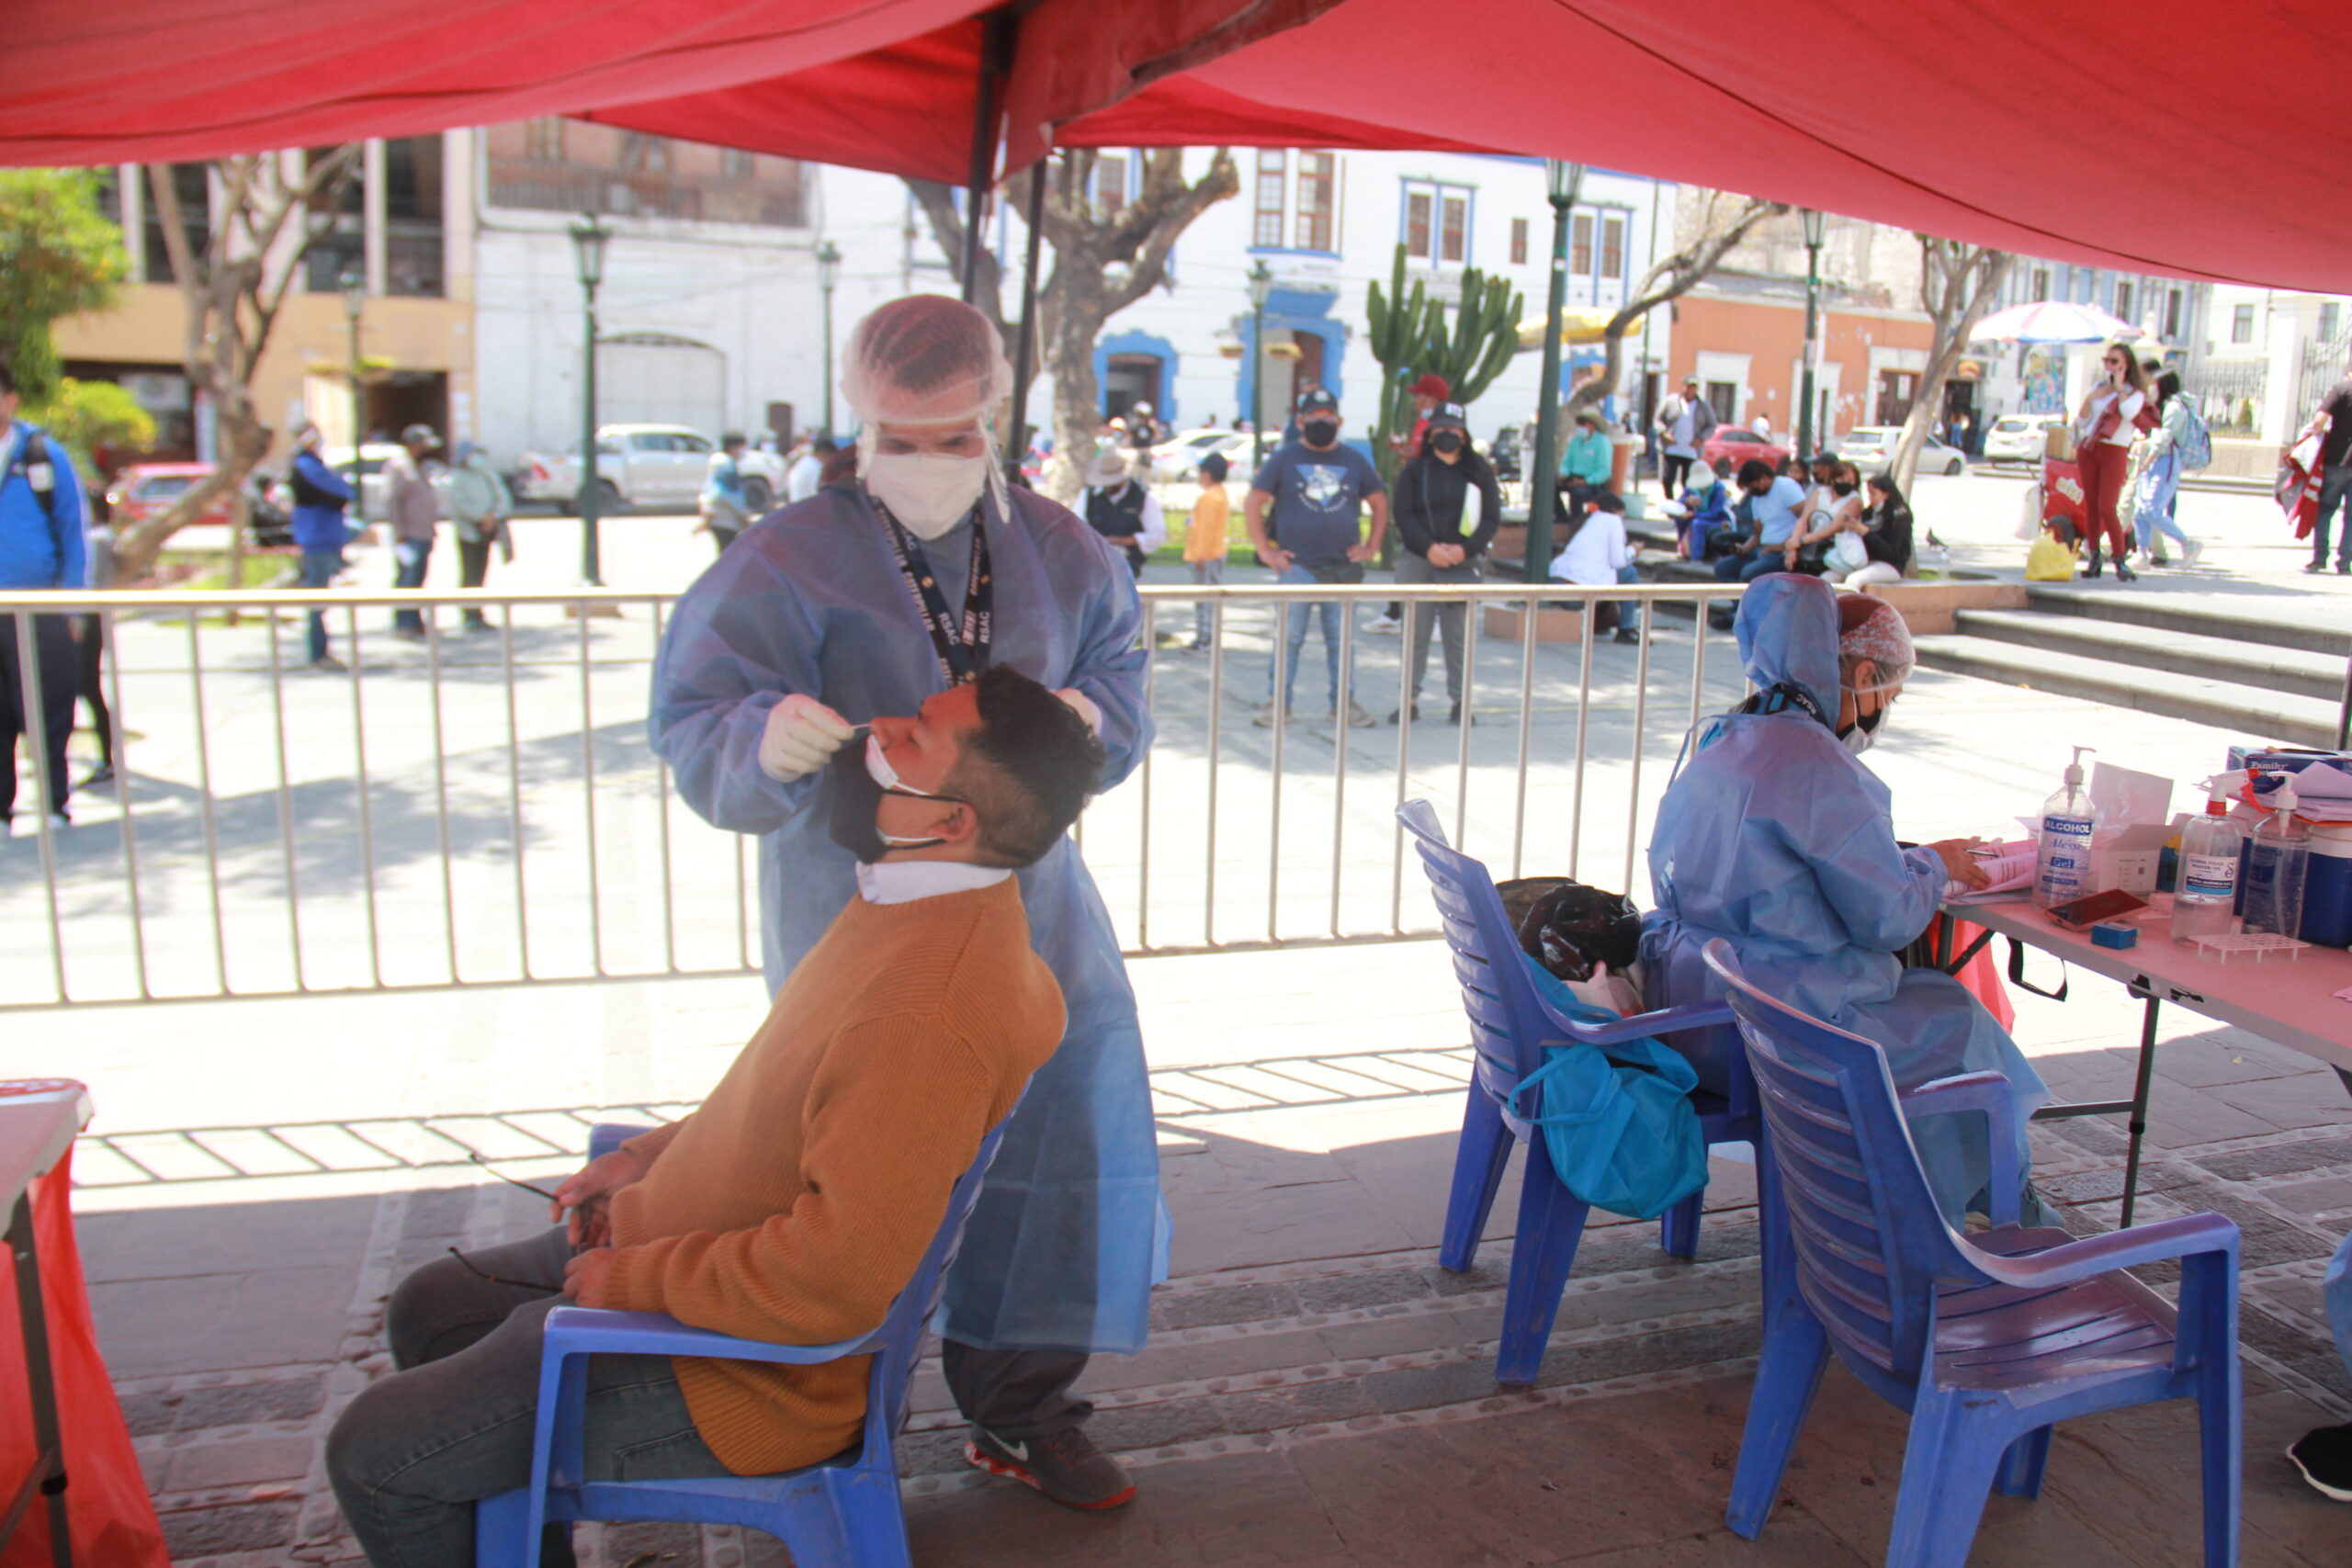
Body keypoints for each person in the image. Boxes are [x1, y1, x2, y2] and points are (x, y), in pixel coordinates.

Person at [327, 667, 1110, 1562]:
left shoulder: (926, 1009)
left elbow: (835, 1279)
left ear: (948, 819)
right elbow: (785, 1097)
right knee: (434, 1308)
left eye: (914, 735)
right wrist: (649, 1159)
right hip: (684, 1260)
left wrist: (627, 1281)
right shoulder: (917, 900)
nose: (877, 727)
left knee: (378, 1455)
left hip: (741, 1375)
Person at [649, 294, 1153, 1510]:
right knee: (853, 1168)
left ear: (994, 418)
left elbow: (1122, 676)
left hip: (1032, 922)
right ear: (860, 422)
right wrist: (754, 734)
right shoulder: (786, 556)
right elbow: (691, 709)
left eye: (954, 437)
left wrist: (1091, 718)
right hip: (855, 919)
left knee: (1055, 1146)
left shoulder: (1060, 548)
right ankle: (812, 1410)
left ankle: (1025, 1406)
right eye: (903, 438)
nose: (928, 464)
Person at [1640, 577, 2050, 1220]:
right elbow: (1890, 917)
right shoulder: (1819, 764)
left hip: (1693, 1010)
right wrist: (1936, 867)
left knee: (1932, 1010)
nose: (1887, 706)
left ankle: (1952, 1196)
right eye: (1892, 690)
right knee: (1961, 1023)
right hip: (1783, 1031)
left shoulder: (1721, 736)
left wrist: (1922, 860)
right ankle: (1984, 1206)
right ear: (1862, 673)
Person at [1244, 386, 1388, 728]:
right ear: (1301, 420)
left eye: (1327, 417)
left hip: (1342, 569)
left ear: (1339, 420)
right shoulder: (1284, 459)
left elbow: (1379, 502)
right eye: (1314, 417)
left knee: (1340, 642)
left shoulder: (1354, 460)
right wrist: (1265, 549)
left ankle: (1344, 704)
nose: (1321, 422)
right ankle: (1277, 702)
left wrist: (1371, 547)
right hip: (1298, 568)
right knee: (1289, 639)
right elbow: (1254, 501)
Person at [0, 358, 87, 834]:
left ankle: (54, 805)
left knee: (48, 708)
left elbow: (73, 532)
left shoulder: (41, 455)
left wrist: (70, 602)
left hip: (37, 606)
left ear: (11, 400)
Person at [1391, 402, 1501, 722]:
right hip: (1420, 560)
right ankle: (1408, 700)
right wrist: (1429, 548)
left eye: (1453, 429)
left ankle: (1460, 702)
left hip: (1462, 564)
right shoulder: (1415, 470)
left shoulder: (1479, 470)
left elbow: (1491, 518)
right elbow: (1404, 514)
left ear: (1464, 435)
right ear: (1430, 434)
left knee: (1458, 636)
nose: (1447, 435)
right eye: (1440, 430)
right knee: (1415, 633)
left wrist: (1464, 551)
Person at [2071, 343, 2153, 581]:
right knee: (2092, 506)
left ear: (2127, 365)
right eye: (2107, 361)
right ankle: (2094, 556)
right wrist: (2091, 398)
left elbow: (2129, 414)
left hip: (2115, 450)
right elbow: (2083, 422)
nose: (2110, 366)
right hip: (2090, 448)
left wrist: (2119, 389)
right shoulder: (2099, 388)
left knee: (2108, 505)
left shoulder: (2135, 392)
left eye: (2115, 362)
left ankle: (2119, 559)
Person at [288, 422, 356, 671]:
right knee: (317, 600)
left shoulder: (315, 465)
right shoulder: (305, 466)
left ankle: (320, 650)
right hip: (316, 540)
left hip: (325, 538)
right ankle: (318, 653)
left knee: (321, 600)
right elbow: (340, 493)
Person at [2124, 369, 2202, 570]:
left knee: (2152, 508)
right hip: (2154, 460)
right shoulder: (2163, 407)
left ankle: (2188, 543)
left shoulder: (2174, 409)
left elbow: (2165, 438)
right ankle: (2142, 554)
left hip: (2165, 462)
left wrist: (2147, 460)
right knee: (2140, 510)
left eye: (2154, 384)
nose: (2151, 387)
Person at [1547, 489, 1645, 645]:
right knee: (1629, 573)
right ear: (1615, 510)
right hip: (1580, 590)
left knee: (1604, 574)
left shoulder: (1589, 520)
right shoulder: (1612, 520)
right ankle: (1626, 629)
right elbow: (1618, 561)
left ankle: (1601, 624)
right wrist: (1633, 550)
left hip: (1557, 580)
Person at [446, 442, 514, 628]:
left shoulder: (487, 476)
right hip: (469, 532)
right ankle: (469, 613)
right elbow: (460, 505)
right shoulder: (458, 479)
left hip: (487, 532)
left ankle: (478, 611)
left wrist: (494, 516)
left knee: (481, 573)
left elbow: (503, 498)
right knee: (470, 573)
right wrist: (480, 517)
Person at [72, 513, 117, 788]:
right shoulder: (97, 537)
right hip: (79, 618)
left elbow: (94, 582)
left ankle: (106, 760)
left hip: (86, 620)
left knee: (88, 688)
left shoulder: (97, 539)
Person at [1711, 458, 1808, 583]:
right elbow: (1758, 534)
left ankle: (1749, 601)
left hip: (1780, 552)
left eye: (1752, 486)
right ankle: (1740, 603)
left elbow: (1805, 518)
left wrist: (1784, 546)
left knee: (1749, 573)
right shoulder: (1757, 498)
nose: (1751, 491)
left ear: (1763, 478)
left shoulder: (1785, 486)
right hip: (1762, 548)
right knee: (1722, 568)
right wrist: (1744, 548)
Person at [386, 423, 441, 639]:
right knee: (407, 580)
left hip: (424, 532)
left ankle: (415, 621)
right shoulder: (399, 466)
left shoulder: (418, 466)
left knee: (418, 579)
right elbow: (393, 501)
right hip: (409, 534)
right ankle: (404, 624)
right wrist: (399, 531)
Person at [1080, 448, 1166, 579]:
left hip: (1130, 562)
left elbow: (1157, 533)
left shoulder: (1142, 496)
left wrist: (1124, 541)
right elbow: (1076, 526)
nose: (1108, 487)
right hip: (1094, 562)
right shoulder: (1088, 496)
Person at [1182, 451, 1234, 650]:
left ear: (1208, 474)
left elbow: (1205, 529)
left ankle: (1204, 640)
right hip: (1214, 552)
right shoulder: (1220, 494)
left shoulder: (1209, 498)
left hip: (1207, 555)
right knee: (1206, 599)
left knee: (1204, 599)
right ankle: (1205, 637)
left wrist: (1200, 555)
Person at [1781, 459, 1864, 577]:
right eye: (1841, 479)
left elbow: (1833, 528)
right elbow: (1804, 519)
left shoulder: (1854, 500)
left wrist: (1800, 541)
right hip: (1809, 545)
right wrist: (1792, 547)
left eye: (1850, 481)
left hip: (1833, 552)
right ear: (1833, 479)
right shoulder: (1820, 492)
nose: (1845, 483)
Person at [1839, 472, 1914, 588]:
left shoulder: (1900, 516)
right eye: (1869, 494)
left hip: (1890, 565)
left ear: (1885, 494)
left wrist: (1867, 533)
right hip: (1864, 560)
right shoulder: (1869, 513)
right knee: (1829, 576)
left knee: (1853, 580)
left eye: (1873, 494)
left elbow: (1892, 552)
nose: (1870, 499)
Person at [1654, 377, 1717, 497]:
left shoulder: (1703, 406)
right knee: (1667, 479)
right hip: (1672, 447)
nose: (1690, 390)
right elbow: (1657, 419)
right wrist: (1664, 432)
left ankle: (1685, 505)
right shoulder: (1671, 401)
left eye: (1693, 387)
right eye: (1688, 386)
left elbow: (1712, 425)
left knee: (1688, 482)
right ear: (1683, 386)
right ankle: (1671, 504)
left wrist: (1701, 438)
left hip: (1691, 450)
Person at [697, 431, 752, 557]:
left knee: (724, 552)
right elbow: (728, 493)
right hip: (725, 517)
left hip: (718, 515)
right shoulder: (725, 464)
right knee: (728, 554)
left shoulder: (717, 460)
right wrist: (743, 516)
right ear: (733, 448)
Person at [1558, 409, 1615, 513]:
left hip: (1594, 483)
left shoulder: (1602, 442)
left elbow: (1604, 471)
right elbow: (1567, 462)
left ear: (1592, 426)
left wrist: (1585, 481)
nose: (1580, 427)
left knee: (1578, 493)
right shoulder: (1575, 441)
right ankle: (1561, 517)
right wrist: (1563, 474)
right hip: (1574, 477)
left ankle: (1576, 521)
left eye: (1583, 424)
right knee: (1550, 487)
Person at [786, 435, 831, 504]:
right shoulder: (816, 468)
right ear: (824, 453)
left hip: (797, 506)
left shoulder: (805, 462)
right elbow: (819, 494)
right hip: (808, 508)